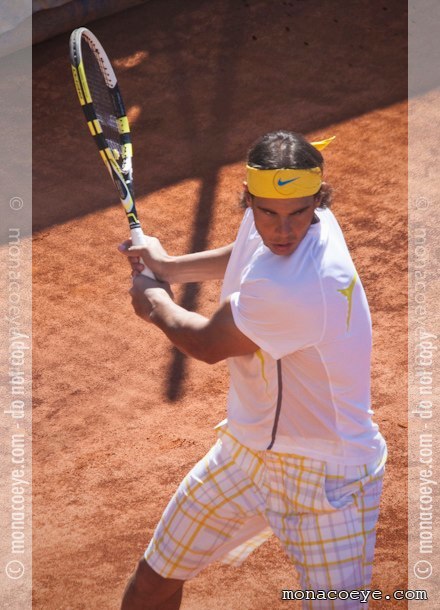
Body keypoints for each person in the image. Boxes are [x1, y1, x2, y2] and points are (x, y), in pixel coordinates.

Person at [119, 131, 387, 610]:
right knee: (152, 582)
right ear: (249, 201)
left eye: (298, 213)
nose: (283, 229)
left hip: (326, 477)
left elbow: (204, 343)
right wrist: (171, 267)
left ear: (318, 200)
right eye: (267, 213)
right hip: (246, 452)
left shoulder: (307, 284)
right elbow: (247, 252)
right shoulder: (281, 218)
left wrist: (153, 300)